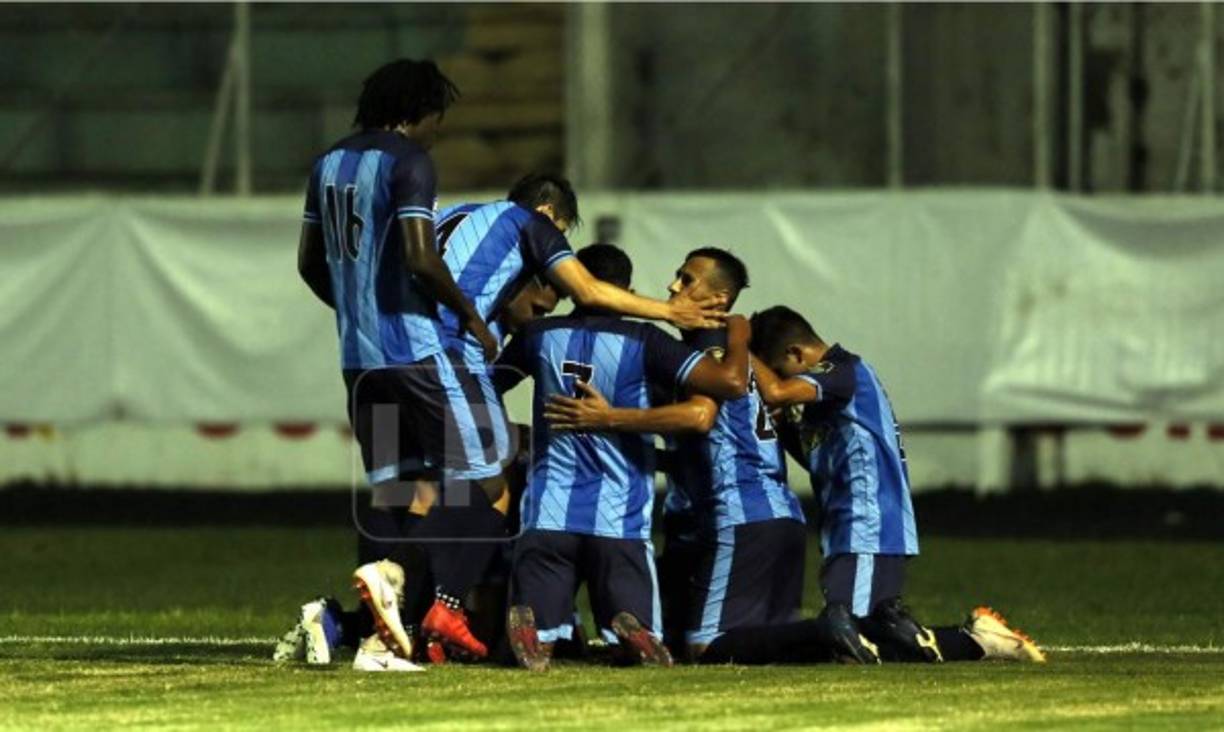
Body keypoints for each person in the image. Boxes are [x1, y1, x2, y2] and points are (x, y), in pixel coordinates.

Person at [492, 245, 752, 671]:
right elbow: (727, 385)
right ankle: (633, 629)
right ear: (627, 292)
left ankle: (534, 632)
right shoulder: (647, 341)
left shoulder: (538, 336)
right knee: (635, 612)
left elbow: (484, 389)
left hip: (549, 507)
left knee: (538, 593)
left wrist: (510, 433)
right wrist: (739, 333)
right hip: (620, 513)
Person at [544, 248, 809, 664]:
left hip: (744, 513)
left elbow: (700, 416)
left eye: (687, 280)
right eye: (677, 276)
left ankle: (833, 629)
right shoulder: (728, 346)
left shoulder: (709, 346)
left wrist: (608, 418)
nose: (673, 286)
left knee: (704, 647)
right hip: (775, 514)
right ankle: (842, 635)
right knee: (713, 639)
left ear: (719, 300)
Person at [749, 305, 1046, 664]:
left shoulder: (841, 371)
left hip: (869, 518)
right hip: (850, 523)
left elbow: (778, 392)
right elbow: (814, 457)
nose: (773, 383)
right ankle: (978, 641)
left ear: (795, 354)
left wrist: (739, 347)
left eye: (776, 369)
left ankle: (975, 642)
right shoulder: (823, 398)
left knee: (845, 634)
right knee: (865, 634)